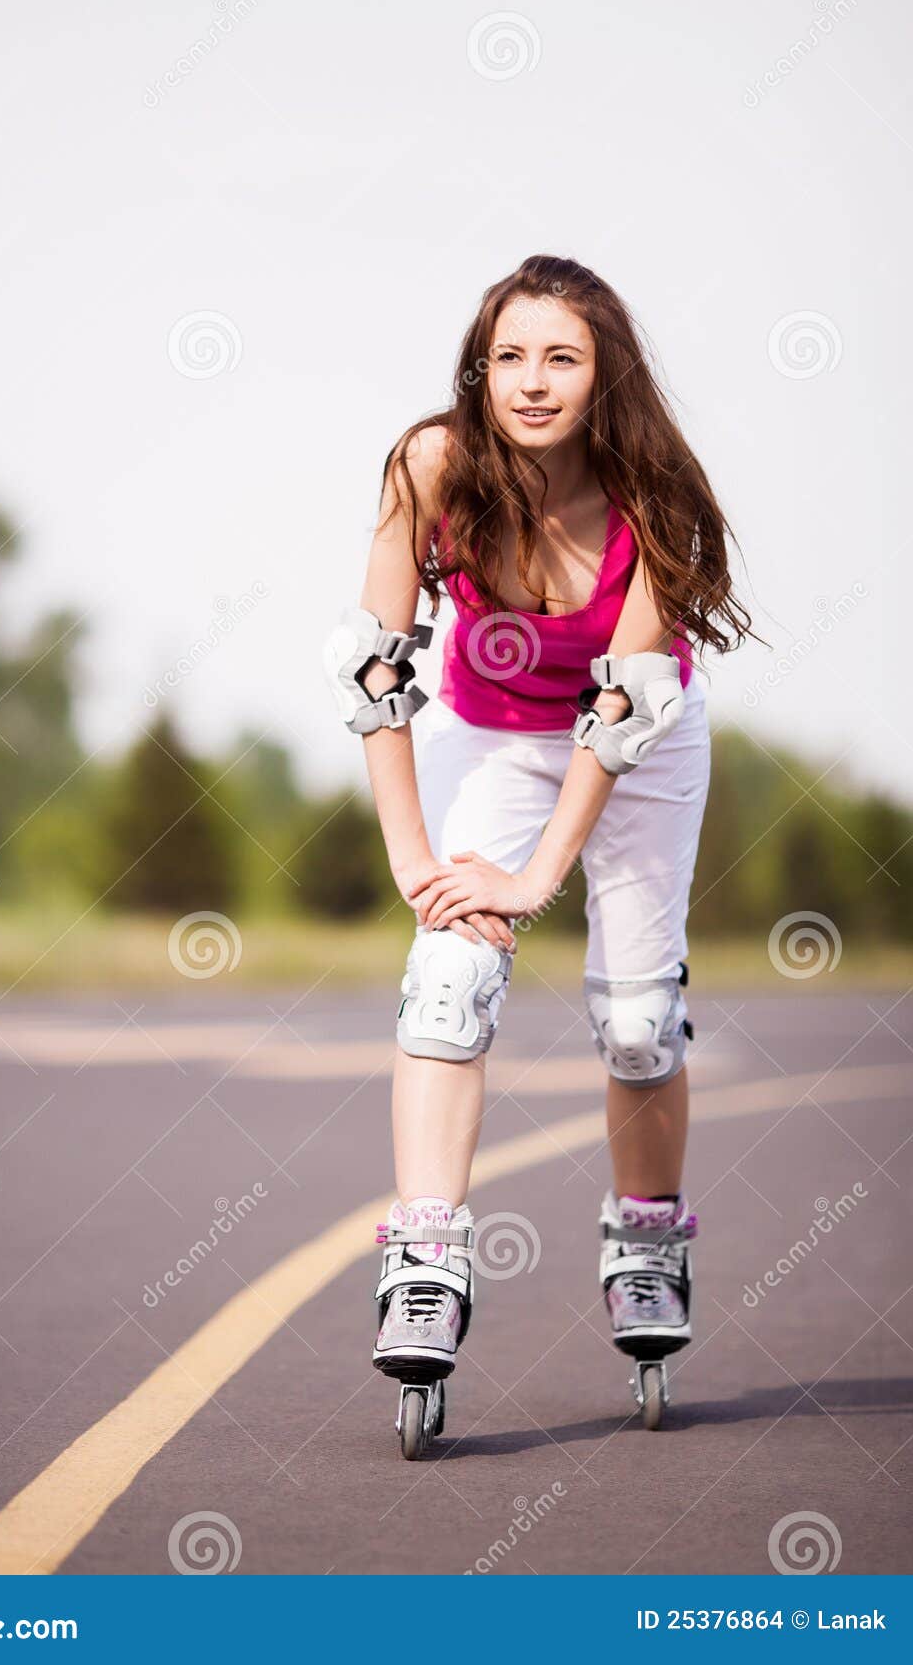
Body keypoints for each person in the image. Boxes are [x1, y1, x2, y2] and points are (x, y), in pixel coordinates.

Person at [323, 255, 752, 1422]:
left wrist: (535, 877)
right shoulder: (433, 465)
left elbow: (623, 713)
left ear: (603, 369)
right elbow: (375, 668)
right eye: (510, 354)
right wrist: (421, 864)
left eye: (561, 356)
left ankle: (647, 1239)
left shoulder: (652, 494)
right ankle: (424, 1263)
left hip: (639, 746)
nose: (531, 380)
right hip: (495, 738)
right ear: (481, 364)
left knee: (634, 1019)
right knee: (447, 979)